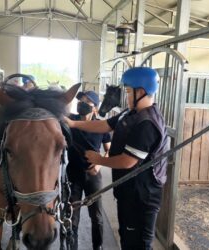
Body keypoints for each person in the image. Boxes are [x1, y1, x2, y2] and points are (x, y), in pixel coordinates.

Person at [65, 67, 168, 250]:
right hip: (128, 191)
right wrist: (73, 123)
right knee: (126, 239)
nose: (126, 96)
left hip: (142, 196)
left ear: (141, 92)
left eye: (128, 92)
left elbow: (128, 161)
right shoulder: (130, 113)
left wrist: (99, 160)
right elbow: (104, 125)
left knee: (139, 244)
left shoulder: (147, 123)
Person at [67, 90, 111, 250]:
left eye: (87, 102)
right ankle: (73, 246)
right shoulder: (70, 120)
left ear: (95, 108)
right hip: (73, 175)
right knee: (72, 216)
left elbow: (109, 150)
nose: (82, 104)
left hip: (93, 176)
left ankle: (97, 246)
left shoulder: (101, 125)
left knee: (97, 216)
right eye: (81, 101)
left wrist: (99, 164)